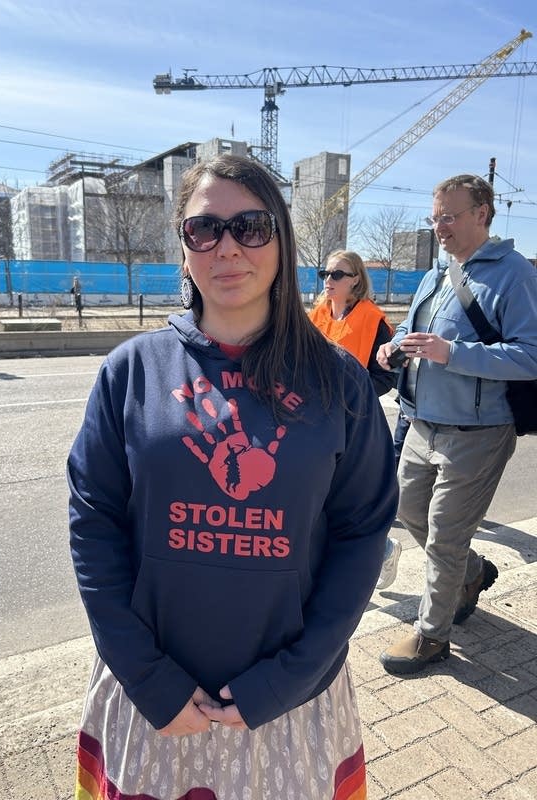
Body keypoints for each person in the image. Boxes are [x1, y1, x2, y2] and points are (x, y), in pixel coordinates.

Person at [68, 153, 398, 799]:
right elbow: (93, 526)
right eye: (204, 229)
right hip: (151, 703)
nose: (227, 247)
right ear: (183, 246)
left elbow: (362, 535)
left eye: (250, 226)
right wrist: (149, 680)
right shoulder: (130, 372)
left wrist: (285, 681)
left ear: (281, 237)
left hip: (289, 707)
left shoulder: (340, 383)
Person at [377, 173, 537, 675]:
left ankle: (432, 637)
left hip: (478, 433)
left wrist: (453, 353)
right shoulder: (437, 272)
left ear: (482, 213)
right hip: (421, 423)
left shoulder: (515, 274)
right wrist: (393, 346)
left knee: (444, 536)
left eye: (449, 216)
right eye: (435, 217)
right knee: (409, 512)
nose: (439, 227)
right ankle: (472, 574)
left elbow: (530, 356)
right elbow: (410, 327)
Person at [309, 250, 401, 590]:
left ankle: (384, 549)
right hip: (316, 420)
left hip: (353, 420)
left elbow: (385, 376)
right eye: (325, 274)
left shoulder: (373, 319)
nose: (329, 281)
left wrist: (349, 396)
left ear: (356, 280)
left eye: (337, 274)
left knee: (351, 501)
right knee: (320, 499)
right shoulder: (315, 315)